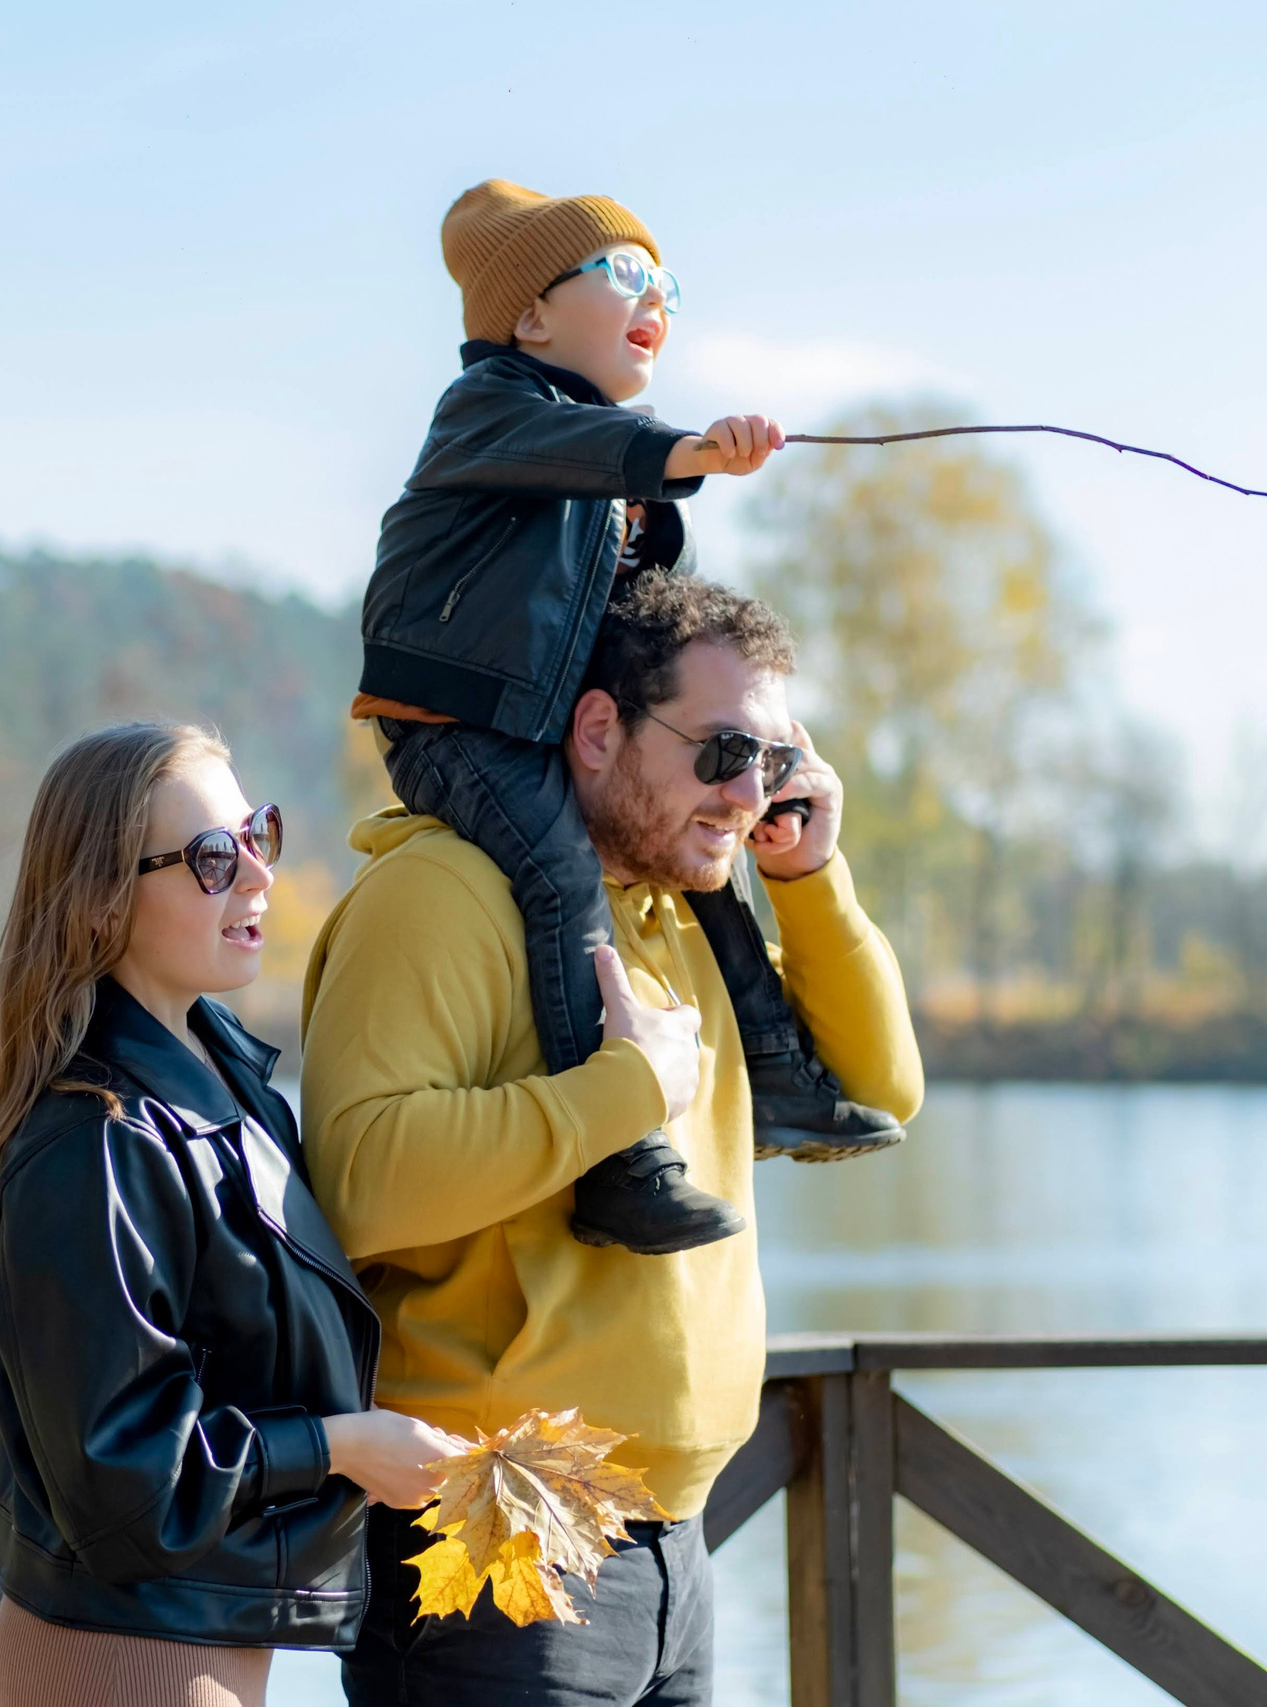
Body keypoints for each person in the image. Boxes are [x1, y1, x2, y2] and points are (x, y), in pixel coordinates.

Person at [302, 574, 924, 1705]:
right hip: (498, 1535)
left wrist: (808, 878)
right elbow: (360, 1179)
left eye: (772, 763)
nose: (745, 794)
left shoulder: (685, 913)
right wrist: (622, 1092)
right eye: (722, 750)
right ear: (598, 730)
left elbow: (882, 1090)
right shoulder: (440, 893)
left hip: (678, 1542)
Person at [353, 177, 905, 1261]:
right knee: (561, 877)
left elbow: (653, 631)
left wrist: (747, 765)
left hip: (548, 721)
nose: (655, 297)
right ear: (530, 319)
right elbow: (587, 448)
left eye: (665, 280)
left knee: (710, 856)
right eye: (622, 274)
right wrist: (689, 453)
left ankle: (781, 1072)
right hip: (457, 726)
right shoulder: (491, 413)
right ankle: (623, 1161)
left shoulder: (624, 489)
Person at [0, 721, 465, 1707]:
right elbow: (125, 1478)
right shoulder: (95, 1143)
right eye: (208, 858)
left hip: (193, 1642)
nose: (257, 879)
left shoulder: (230, 1085)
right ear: (104, 898)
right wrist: (342, 1445)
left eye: (256, 836)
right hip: (124, 1653)